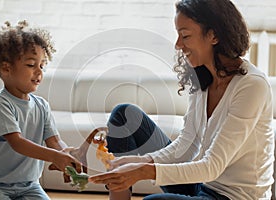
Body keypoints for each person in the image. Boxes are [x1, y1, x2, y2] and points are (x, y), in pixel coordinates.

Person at [89, 0, 274, 199]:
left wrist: (143, 170)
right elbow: (186, 146)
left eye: (185, 35)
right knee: (124, 114)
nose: (178, 45)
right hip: (202, 185)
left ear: (214, 35)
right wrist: (137, 162)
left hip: (233, 196)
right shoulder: (204, 77)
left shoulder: (251, 86)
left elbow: (212, 166)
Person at [0, 21, 81, 200]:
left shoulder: (42, 106)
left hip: (29, 186)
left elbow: (54, 141)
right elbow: (17, 142)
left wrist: (65, 154)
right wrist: (55, 157)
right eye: (32, 65)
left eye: (42, 65)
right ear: (5, 68)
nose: (39, 71)